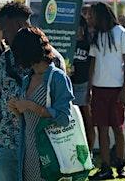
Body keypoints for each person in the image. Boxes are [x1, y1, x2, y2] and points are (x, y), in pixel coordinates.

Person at [8, 27, 74, 181]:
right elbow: (29, 121)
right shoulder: (27, 79)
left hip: (51, 153)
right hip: (28, 153)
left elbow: (64, 118)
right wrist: (17, 109)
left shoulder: (57, 78)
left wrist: (31, 106)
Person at [0, 2, 32, 181]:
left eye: (4, 29)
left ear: (18, 26)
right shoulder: (5, 59)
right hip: (6, 142)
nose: (2, 36)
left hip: (35, 144)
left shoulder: (49, 60)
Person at [88, 3, 125, 180]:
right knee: (102, 129)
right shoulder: (97, 36)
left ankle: (121, 164)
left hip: (116, 89)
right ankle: (105, 166)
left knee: (117, 128)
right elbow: (92, 63)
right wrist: (89, 89)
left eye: (92, 15)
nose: (90, 19)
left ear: (101, 16)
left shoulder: (122, 33)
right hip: (99, 89)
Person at [71, 16, 95, 151]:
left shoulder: (88, 44)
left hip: (84, 84)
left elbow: (92, 66)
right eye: (76, 28)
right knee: (74, 121)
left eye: (81, 28)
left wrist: (90, 88)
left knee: (87, 120)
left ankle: (89, 151)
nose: (78, 31)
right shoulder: (69, 44)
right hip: (71, 85)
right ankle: (76, 150)